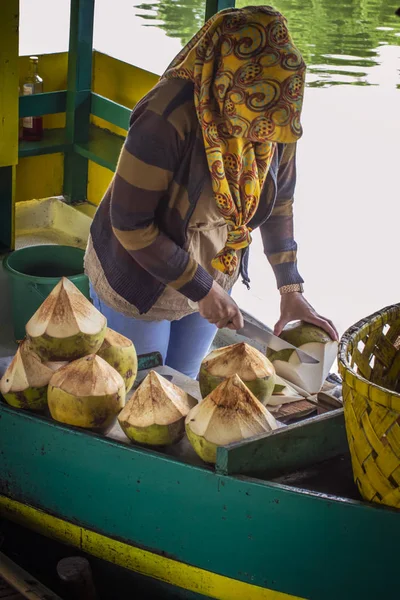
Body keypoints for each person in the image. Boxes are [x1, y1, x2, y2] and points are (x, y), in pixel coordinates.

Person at [84, 6, 338, 379]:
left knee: (183, 387)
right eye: (254, 116)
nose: (262, 133)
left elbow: (280, 202)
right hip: (138, 277)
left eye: (276, 115)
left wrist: (290, 287)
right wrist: (202, 289)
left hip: (213, 273)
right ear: (227, 81)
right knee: (138, 395)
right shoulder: (166, 116)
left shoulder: (275, 116)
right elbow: (130, 223)